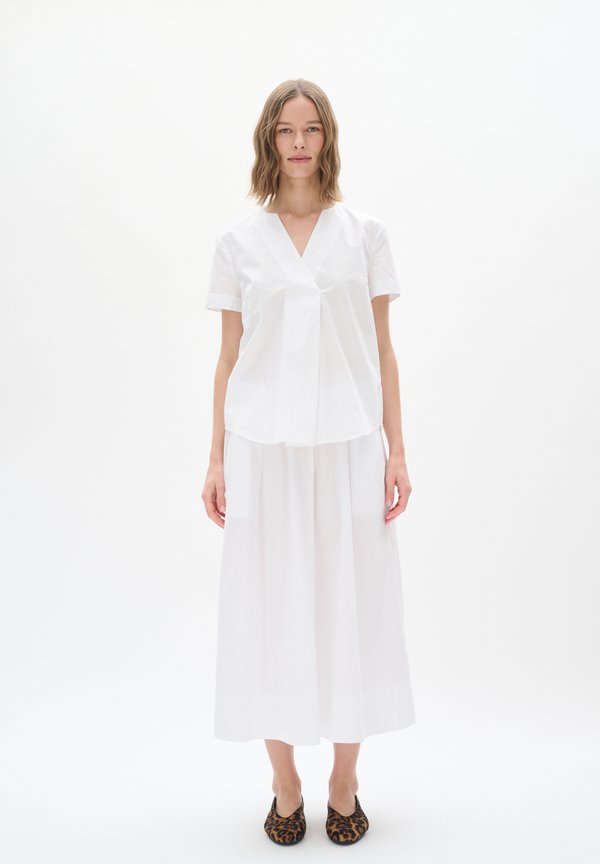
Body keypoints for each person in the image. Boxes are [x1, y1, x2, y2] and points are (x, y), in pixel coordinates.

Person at [202, 78, 416, 846]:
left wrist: (397, 450)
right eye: (286, 130)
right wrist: (216, 458)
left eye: (312, 129)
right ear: (269, 140)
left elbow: (382, 350)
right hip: (264, 452)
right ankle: (285, 782)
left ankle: (344, 780)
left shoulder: (364, 235)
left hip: (350, 445)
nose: (299, 143)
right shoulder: (238, 243)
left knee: (350, 601)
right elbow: (229, 359)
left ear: (328, 139)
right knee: (270, 606)